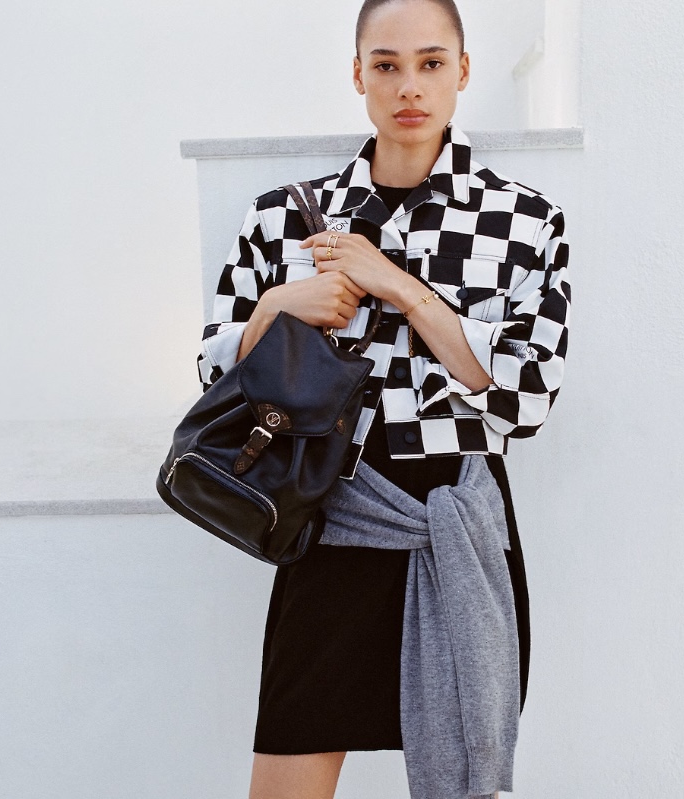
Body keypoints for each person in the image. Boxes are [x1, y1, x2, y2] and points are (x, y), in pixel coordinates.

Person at [196, 1, 570, 796]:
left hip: (455, 520)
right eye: (387, 65)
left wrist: (398, 285)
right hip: (331, 515)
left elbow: (528, 398)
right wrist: (277, 308)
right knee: (286, 773)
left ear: (462, 71)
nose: (409, 87)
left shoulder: (526, 220)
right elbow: (214, 377)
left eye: (431, 63)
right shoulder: (282, 217)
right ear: (358, 73)